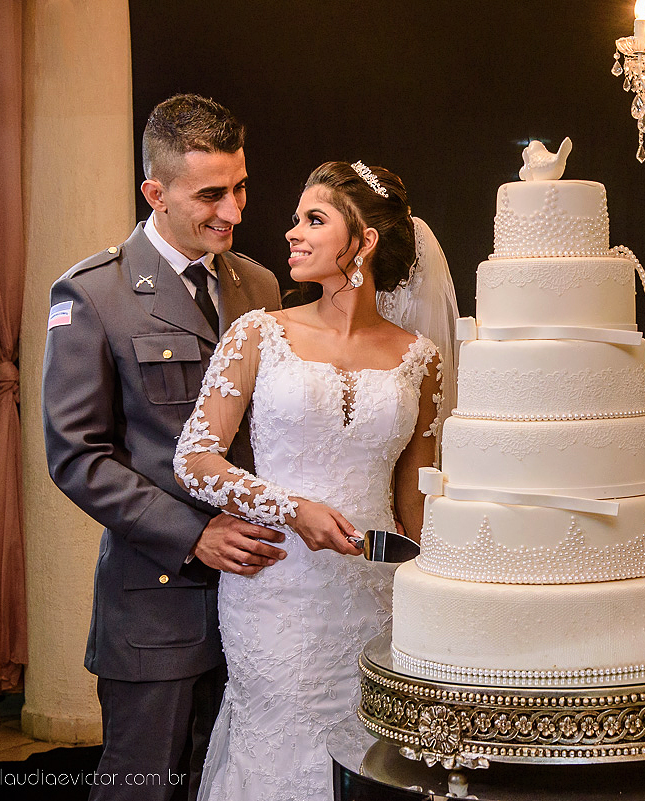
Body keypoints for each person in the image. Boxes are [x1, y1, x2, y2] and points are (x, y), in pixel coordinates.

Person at [173, 160, 455, 800]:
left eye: (314, 219)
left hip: (376, 591)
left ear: (365, 241)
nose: (291, 233)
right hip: (276, 586)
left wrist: (444, 598)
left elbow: (415, 507)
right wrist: (289, 506)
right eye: (298, 218)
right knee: (281, 749)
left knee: (371, 754)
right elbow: (195, 457)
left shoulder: (421, 358)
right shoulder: (259, 334)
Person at [42, 94, 284, 801]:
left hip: (256, 597)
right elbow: (77, 456)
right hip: (155, 604)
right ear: (156, 191)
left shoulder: (259, 284)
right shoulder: (95, 292)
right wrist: (195, 534)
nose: (233, 211)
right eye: (211, 194)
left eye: (240, 188)